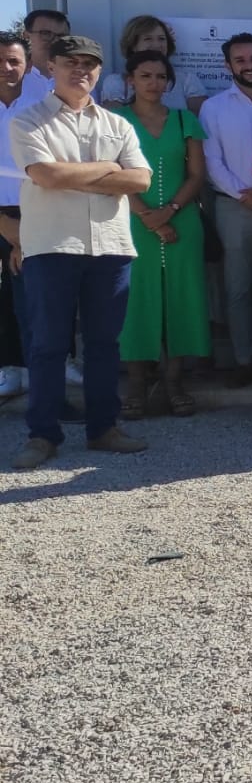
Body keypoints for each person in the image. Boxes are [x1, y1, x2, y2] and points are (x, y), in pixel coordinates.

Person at [9, 35, 152, 469]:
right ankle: (43, 434)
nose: (81, 71)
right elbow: (47, 175)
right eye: (70, 62)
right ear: (50, 66)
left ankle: (103, 428)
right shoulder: (28, 121)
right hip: (53, 245)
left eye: (89, 64)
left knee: (105, 344)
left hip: (109, 246)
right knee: (49, 344)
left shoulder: (117, 125)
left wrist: (82, 175)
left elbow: (141, 181)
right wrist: (110, 169)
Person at [112, 51, 209, 418]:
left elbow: (197, 176)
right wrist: (147, 216)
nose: (153, 83)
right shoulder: (115, 120)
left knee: (182, 297)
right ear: (130, 80)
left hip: (181, 219)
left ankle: (174, 381)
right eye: (145, 75)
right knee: (136, 298)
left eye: (159, 76)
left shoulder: (184, 120)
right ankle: (137, 384)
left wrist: (168, 212)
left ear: (169, 82)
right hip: (128, 220)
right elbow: (110, 172)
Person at [198, 32, 252, 387]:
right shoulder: (214, 108)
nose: (249, 66)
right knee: (237, 288)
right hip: (233, 206)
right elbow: (212, 162)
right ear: (228, 66)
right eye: (240, 60)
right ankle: (244, 359)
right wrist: (248, 197)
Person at [0, 33, 41, 400]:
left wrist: (23, 230)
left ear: (27, 63)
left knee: (29, 300)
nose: (6, 68)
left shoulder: (43, 101)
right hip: (1, 215)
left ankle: (39, 383)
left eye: (13, 60)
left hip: (36, 212)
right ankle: (8, 369)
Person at [101, 17, 197, 108]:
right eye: (148, 39)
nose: (156, 45)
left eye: (161, 39)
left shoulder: (187, 81)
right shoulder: (116, 82)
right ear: (133, 45)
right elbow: (112, 121)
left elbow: (197, 122)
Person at [20, 10, 70, 102]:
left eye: (61, 36)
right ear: (26, 36)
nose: (54, 40)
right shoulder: (11, 78)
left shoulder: (78, 77)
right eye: (46, 34)